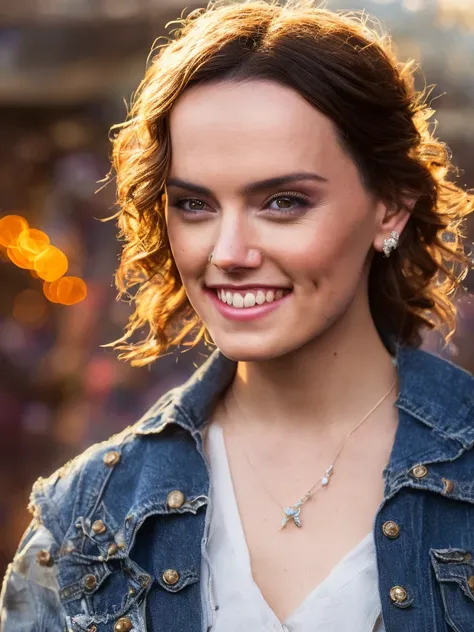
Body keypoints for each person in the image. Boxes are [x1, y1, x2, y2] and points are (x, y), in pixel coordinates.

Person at [2, 1, 474, 630]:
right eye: (195, 205)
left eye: (282, 202)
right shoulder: (86, 521)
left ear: (389, 207)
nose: (228, 254)